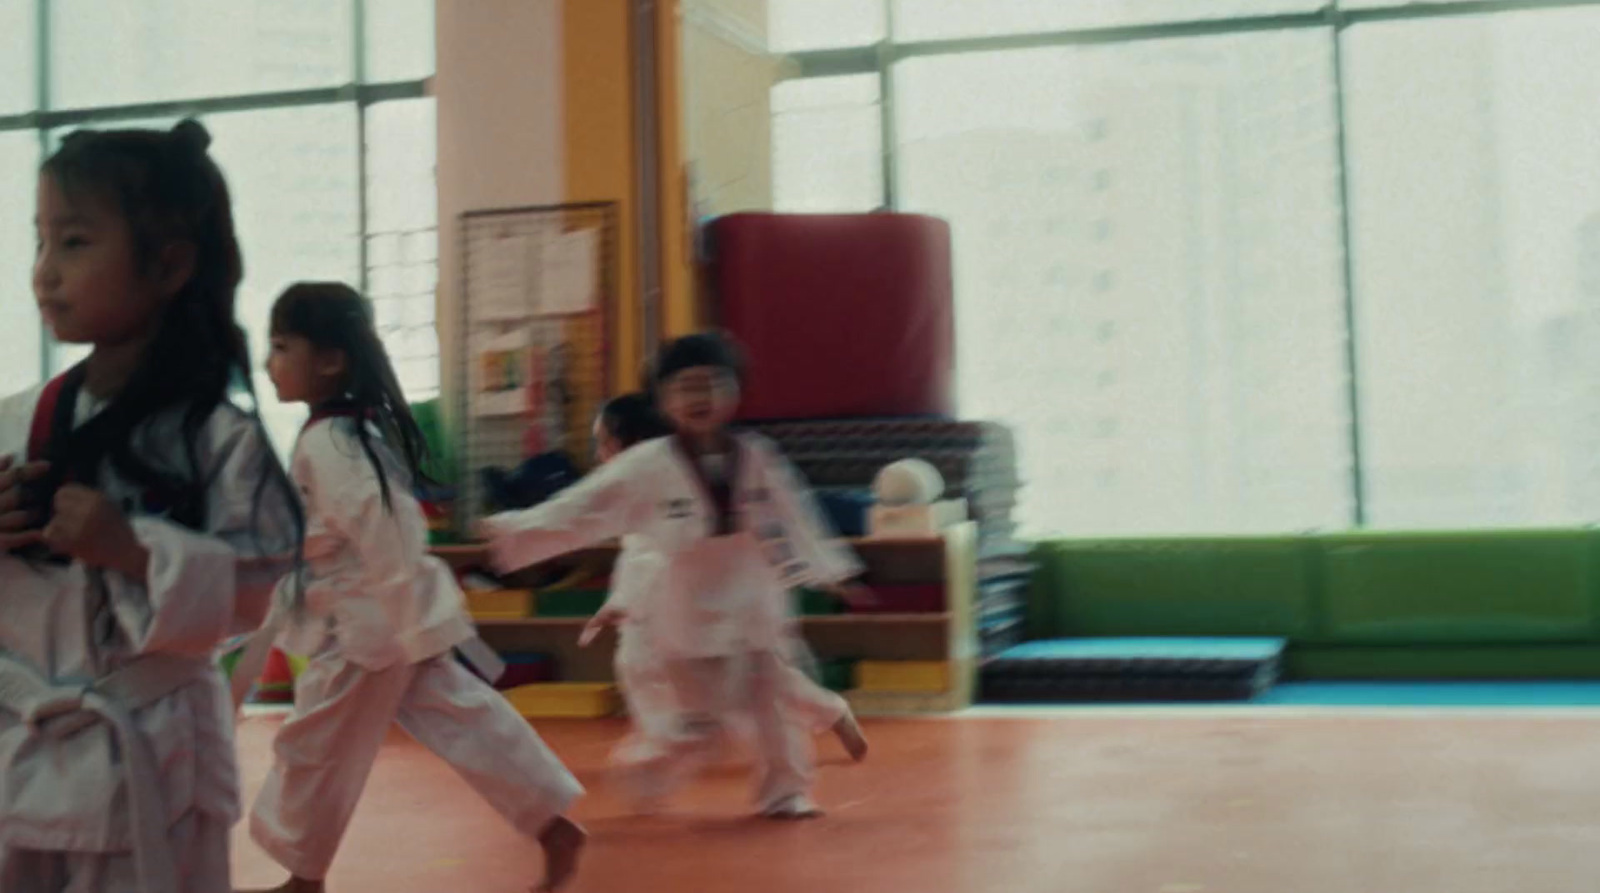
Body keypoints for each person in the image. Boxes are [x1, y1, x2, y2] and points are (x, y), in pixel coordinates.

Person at [0, 120, 301, 893]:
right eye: (40, 242)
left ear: (168, 265)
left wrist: (134, 549)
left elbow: (256, 588)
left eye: (73, 243)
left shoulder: (216, 436)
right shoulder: (16, 420)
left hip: (150, 756)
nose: (43, 274)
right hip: (22, 747)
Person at [243, 283, 585, 893]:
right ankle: (553, 827)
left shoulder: (332, 441)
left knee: (315, 747)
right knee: (468, 722)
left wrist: (411, 622)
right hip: (390, 618)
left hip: (368, 629)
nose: (269, 362)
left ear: (329, 360)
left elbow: (384, 532)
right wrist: (419, 622)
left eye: (280, 346)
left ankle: (304, 879)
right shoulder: (349, 432)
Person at [481, 333, 870, 819]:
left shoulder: (756, 454)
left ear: (736, 392)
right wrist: (517, 531)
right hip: (685, 601)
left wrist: (830, 568)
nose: (701, 397)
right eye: (686, 387)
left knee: (770, 696)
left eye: (714, 384)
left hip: (750, 593)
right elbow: (586, 506)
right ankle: (657, 760)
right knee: (700, 723)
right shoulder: (646, 464)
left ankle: (786, 791)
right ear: (664, 400)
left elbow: (794, 511)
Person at [582, 392, 868, 792]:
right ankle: (669, 749)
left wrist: (816, 571)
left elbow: (659, 554)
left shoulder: (695, 475)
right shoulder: (638, 483)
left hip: (703, 606)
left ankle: (669, 752)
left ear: (629, 446)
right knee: (650, 670)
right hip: (660, 612)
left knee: (747, 677)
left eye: (605, 443)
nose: (600, 454)